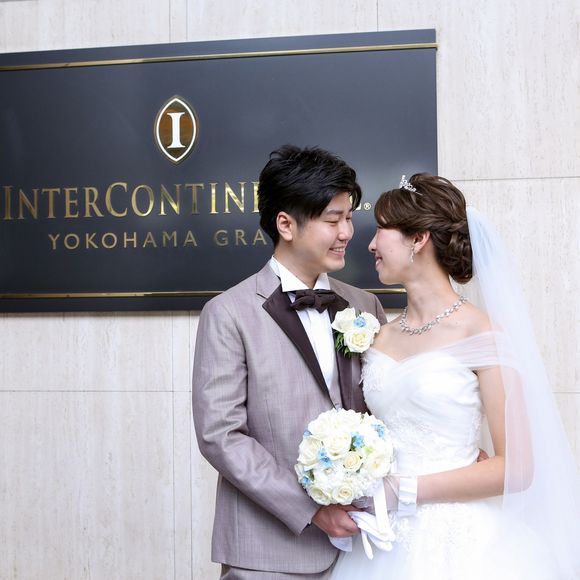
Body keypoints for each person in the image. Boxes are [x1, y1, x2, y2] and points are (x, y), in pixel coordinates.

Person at [331, 173, 580, 579]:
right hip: (381, 538)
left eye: (380, 230)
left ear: (418, 239)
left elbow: (517, 468)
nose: (371, 244)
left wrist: (403, 490)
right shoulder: (378, 336)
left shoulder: (481, 334)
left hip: (460, 543)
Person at [192, 145, 387, 579]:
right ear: (286, 224)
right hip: (268, 552)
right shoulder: (228, 313)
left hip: (365, 547)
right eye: (333, 220)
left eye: (349, 217)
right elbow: (221, 435)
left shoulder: (365, 306)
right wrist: (311, 510)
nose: (347, 232)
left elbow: (386, 405)